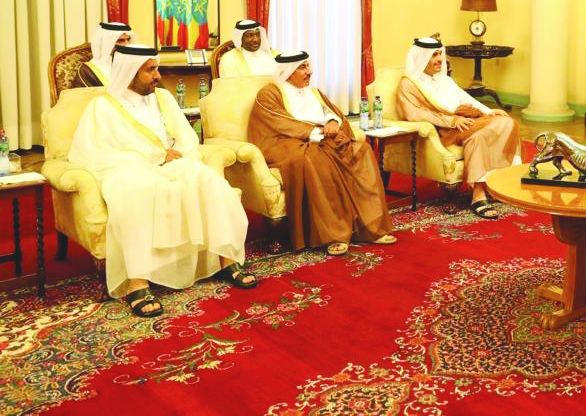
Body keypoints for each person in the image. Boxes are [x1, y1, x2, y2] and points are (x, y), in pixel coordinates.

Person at [69, 44, 257, 318]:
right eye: (150, 70)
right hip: (126, 169)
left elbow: (187, 138)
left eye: (156, 68)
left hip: (171, 162)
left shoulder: (164, 98)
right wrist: (154, 155)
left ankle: (227, 260)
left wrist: (179, 157)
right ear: (130, 73)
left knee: (208, 181)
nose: (157, 76)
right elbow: (89, 152)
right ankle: (137, 282)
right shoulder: (102, 106)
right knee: (138, 192)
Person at [247, 51, 395, 255]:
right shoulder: (270, 93)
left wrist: (333, 122)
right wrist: (315, 133)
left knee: (362, 151)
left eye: (308, 66)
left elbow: (331, 112)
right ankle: (334, 234)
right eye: (303, 67)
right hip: (286, 143)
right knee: (319, 160)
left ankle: (369, 228)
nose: (310, 72)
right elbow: (278, 123)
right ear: (288, 71)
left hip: (322, 139)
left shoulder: (313, 91)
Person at [396, 37, 520, 219]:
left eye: (440, 54)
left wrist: (489, 111)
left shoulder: (443, 79)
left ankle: (494, 186)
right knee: (486, 132)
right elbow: (414, 114)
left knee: (508, 123)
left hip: (465, 121)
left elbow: (465, 99)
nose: (440, 59)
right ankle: (478, 195)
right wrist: (451, 121)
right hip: (446, 129)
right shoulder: (409, 84)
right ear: (421, 58)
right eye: (433, 55)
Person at [72, 22, 135, 88]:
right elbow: (84, 96)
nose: (127, 44)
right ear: (106, 43)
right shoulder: (88, 71)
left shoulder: (133, 64)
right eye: (120, 40)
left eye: (128, 39)